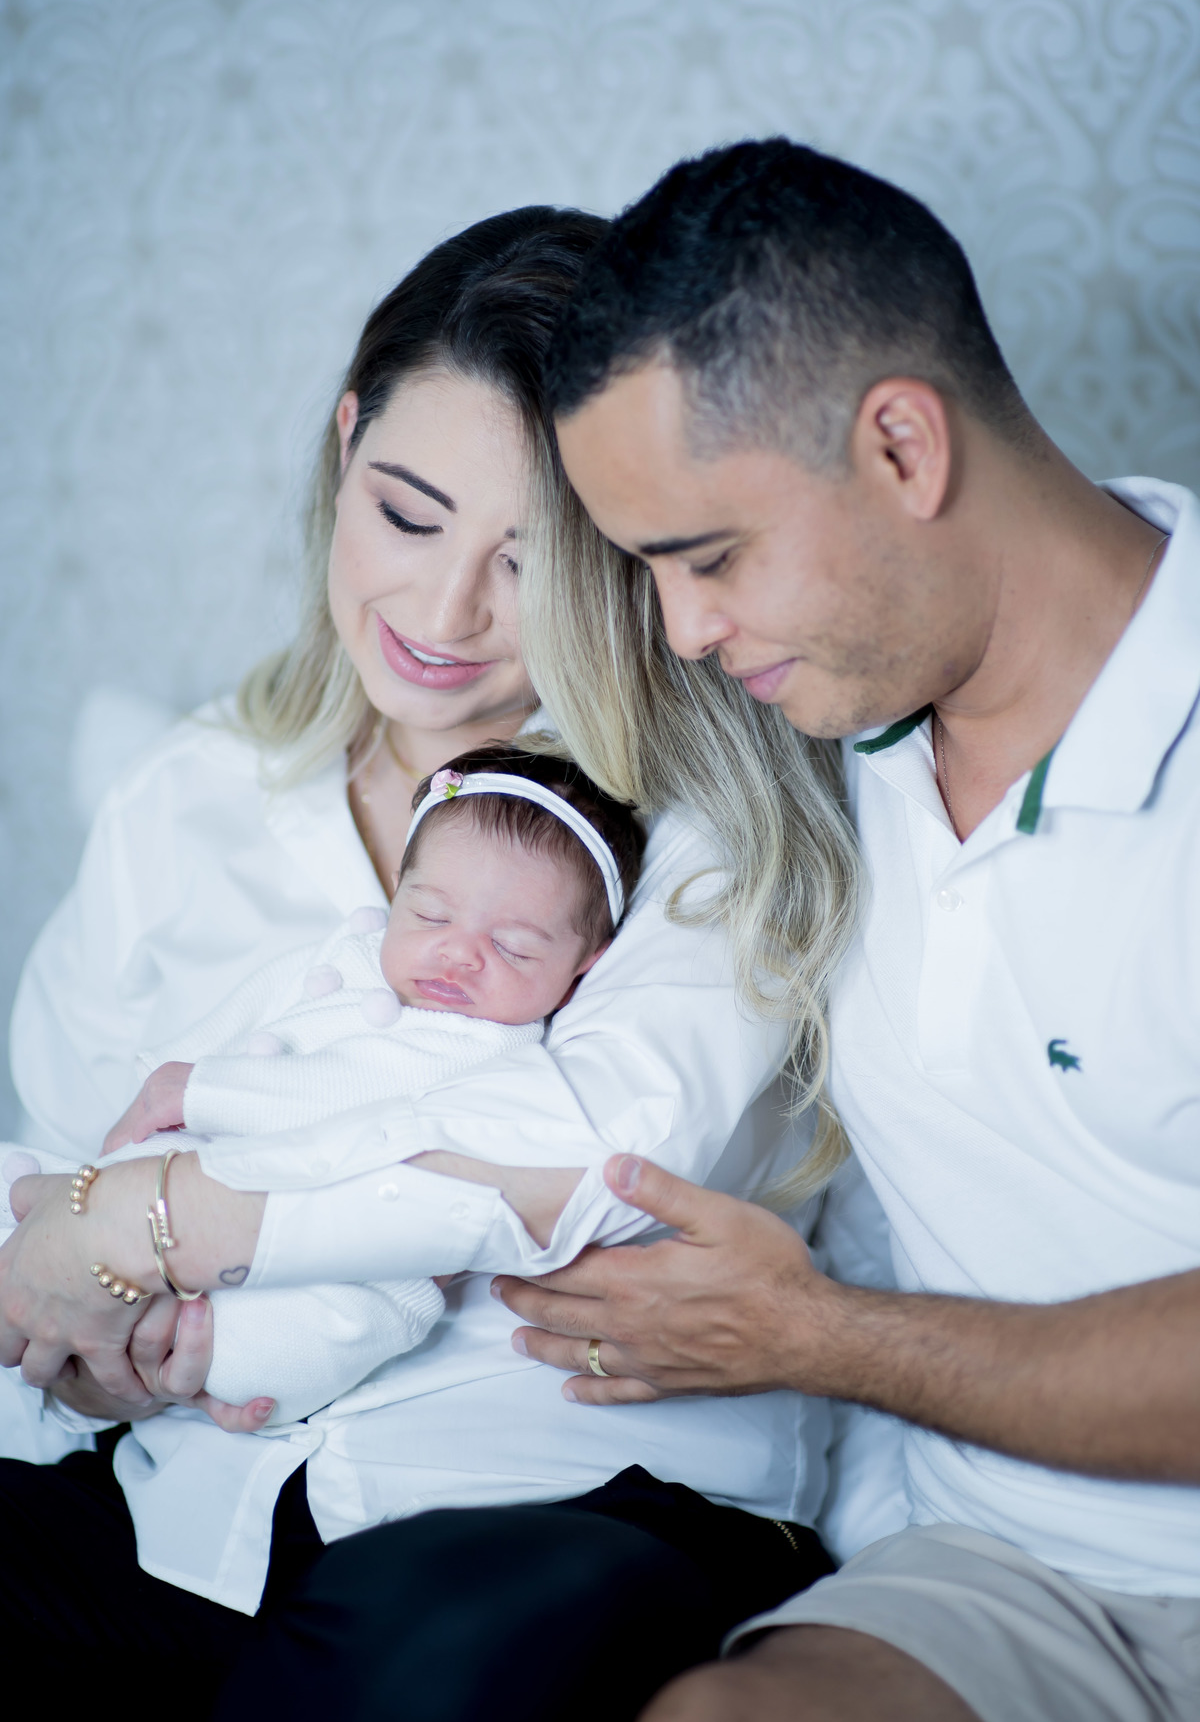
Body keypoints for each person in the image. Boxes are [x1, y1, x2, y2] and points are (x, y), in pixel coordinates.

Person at [0, 205, 899, 1718]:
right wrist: (82, 1334)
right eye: (408, 516)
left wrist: (153, 1220)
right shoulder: (192, 797)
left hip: (564, 1493)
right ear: (346, 442)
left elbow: (586, 1149)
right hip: (191, 1500)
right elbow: (60, 1184)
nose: (439, 614)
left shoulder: (701, 829)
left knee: (423, 1665)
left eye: (528, 563)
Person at [494, 138, 1200, 1722]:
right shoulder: (816, 736)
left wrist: (814, 1334)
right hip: (1006, 1575)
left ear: (901, 445)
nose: (685, 630)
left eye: (710, 557)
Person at [0, 745, 644, 1427]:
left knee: (281, 1342)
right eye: (430, 914)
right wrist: (168, 1077)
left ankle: (178, 1378)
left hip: (333, 1279)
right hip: (188, 1180)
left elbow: (347, 1102)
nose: (459, 952)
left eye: (514, 947)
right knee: (27, 1196)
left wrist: (203, 1092)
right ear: (399, 888)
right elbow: (255, 1005)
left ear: (586, 964)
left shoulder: (491, 1050)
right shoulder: (351, 949)